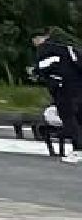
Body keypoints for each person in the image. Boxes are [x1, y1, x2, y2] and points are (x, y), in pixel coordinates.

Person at [30, 29, 82, 164]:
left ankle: (78, 149)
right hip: (78, 86)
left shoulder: (45, 50)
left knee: (69, 118)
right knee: (79, 117)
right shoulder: (67, 48)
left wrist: (35, 71)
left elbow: (43, 67)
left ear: (38, 39)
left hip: (64, 88)